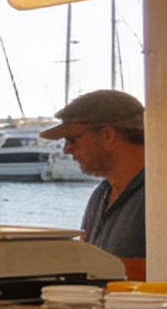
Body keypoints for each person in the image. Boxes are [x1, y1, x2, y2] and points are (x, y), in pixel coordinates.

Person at [41, 89, 147, 277]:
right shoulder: (101, 195)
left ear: (107, 134)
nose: (66, 149)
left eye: (71, 139)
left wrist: (80, 265)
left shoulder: (159, 192)